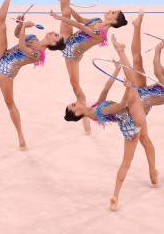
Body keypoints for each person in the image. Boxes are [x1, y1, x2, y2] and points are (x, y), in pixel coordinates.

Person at [64, 63, 158, 211]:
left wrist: (116, 70)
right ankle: (117, 195)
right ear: (77, 114)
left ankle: (152, 173)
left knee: (145, 141)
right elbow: (121, 105)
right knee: (127, 162)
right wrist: (128, 88)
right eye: (74, 106)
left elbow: (105, 89)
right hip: (131, 125)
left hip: (130, 117)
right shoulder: (97, 113)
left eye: (73, 103)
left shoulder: (95, 107)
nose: (76, 102)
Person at [50, 0, 128, 134]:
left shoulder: (101, 34)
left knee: (75, 86)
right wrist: (68, 10)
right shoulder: (97, 19)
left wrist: (61, 17)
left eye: (113, 12)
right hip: (68, 40)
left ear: (114, 21)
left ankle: (83, 112)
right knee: (65, 8)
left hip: (71, 53)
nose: (110, 10)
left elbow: (78, 25)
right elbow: (78, 19)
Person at [0, 0, 65, 150]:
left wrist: (25, 26)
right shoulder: (33, 38)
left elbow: (23, 48)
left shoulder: (39, 55)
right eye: (55, 33)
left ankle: (20, 136)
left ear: (54, 44)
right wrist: (20, 23)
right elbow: (18, 35)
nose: (54, 33)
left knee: (10, 103)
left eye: (56, 37)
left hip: (6, 71)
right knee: (2, 27)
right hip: (2, 54)